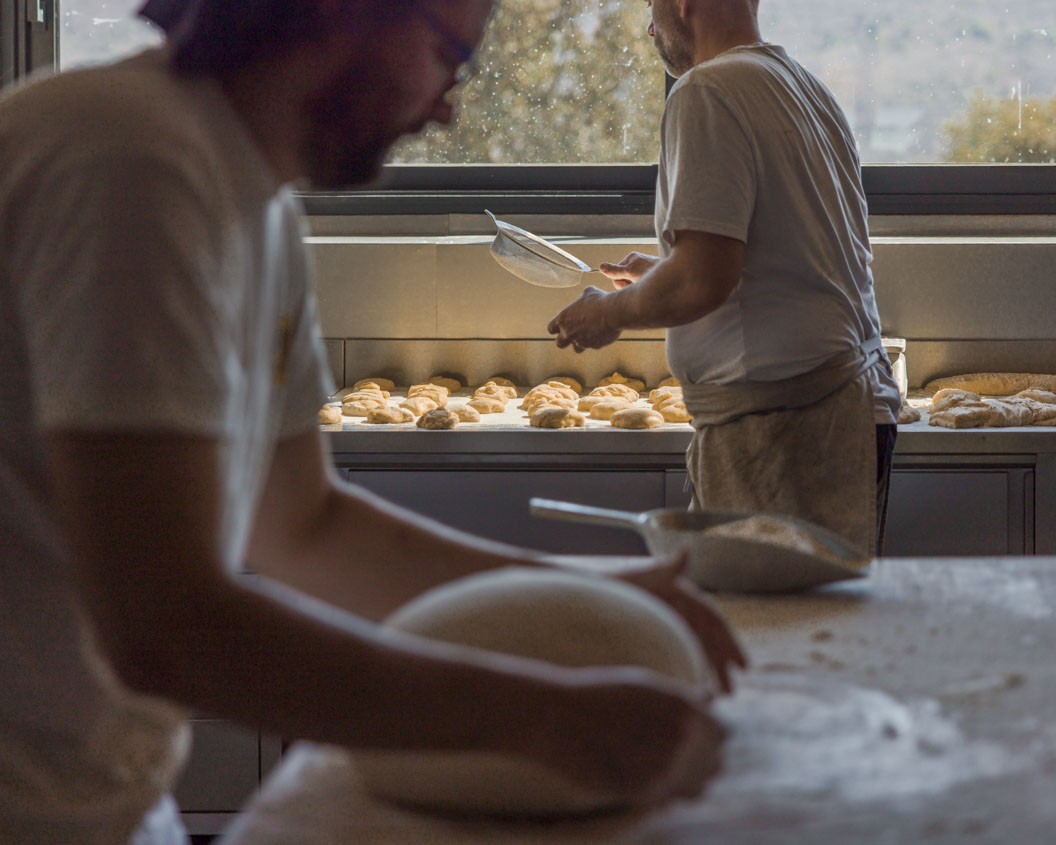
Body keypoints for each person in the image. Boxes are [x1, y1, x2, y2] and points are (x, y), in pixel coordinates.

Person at [0, 0, 747, 841]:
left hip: (102, 800)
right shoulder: (127, 161)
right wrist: (542, 718)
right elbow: (165, 624)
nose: (447, 106)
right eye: (446, 57)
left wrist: (589, 597)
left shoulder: (258, 203)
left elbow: (305, 525)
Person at [548, 0, 901, 558]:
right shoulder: (803, 88)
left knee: (769, 631)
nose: (647, 26)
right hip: (849, 412)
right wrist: (661, 273)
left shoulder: (706, 91)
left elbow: (702, 282)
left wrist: (607, 313)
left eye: (650, 5)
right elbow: (780, 261)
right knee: (809, 626)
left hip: (786, 429)